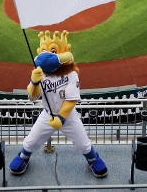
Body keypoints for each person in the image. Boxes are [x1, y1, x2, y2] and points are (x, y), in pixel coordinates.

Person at [9, 31, 107, 178]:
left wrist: (61, 118)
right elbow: (33, 96)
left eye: (53, 50)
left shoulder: (71, 74)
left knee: (83, 144)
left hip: (68, 117)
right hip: (47, 115)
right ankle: (24, 156)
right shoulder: (40, 73)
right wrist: (34, 82)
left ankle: (93, 159)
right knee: (30, 142)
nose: (48, 54)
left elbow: (72, 99)